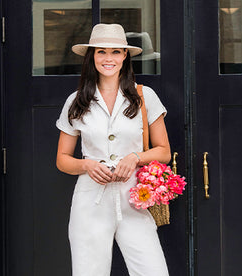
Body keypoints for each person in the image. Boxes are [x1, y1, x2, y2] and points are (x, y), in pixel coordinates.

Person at [56, 23, 171, 276]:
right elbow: (62, 160)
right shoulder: (76, 101)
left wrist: (135, 157)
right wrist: (87, 165)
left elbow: (163, 151)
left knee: (153, 271)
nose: (109, 58)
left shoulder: (144, 96)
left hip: (135, 198)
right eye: (101, 52)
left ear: (125, 56)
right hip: (90, 201)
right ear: (92, 56)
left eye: (116, 52)